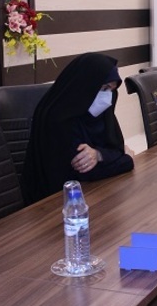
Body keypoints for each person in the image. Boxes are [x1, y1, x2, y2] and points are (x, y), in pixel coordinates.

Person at [22, 53, 134, 204]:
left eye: (112, 90)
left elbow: (117, 148)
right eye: (104, 88)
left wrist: (99, 154)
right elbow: (82, 172)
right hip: (52, 204)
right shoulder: (58, 117)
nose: (108, 97)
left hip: (91, 196)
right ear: (85, 86)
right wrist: (126, 160)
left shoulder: (102, 114)